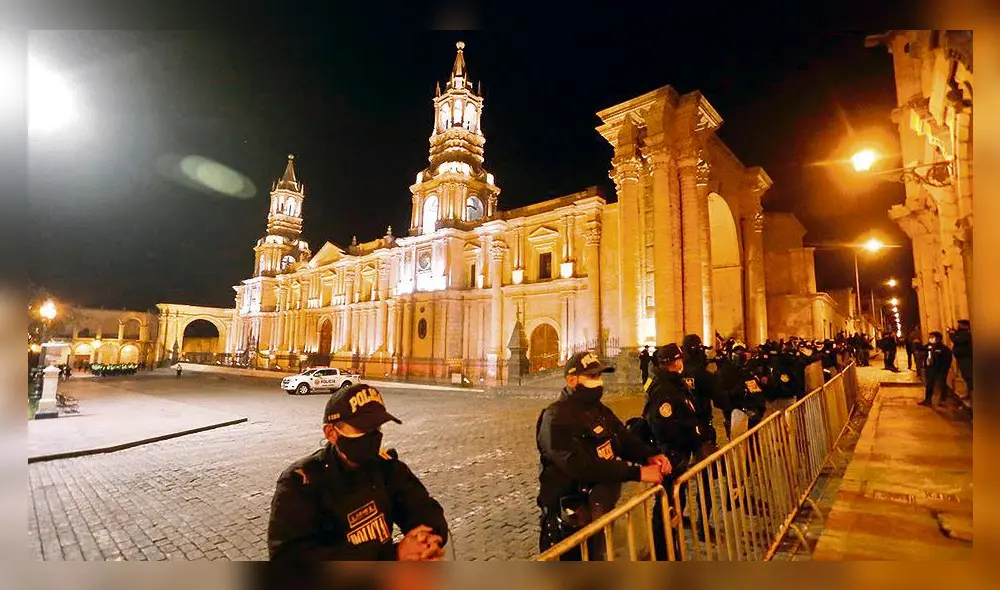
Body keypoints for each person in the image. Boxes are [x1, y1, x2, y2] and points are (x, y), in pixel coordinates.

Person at [268, 383, 449, 561]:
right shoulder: (301, 483)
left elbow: (421, 506)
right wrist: (391, 556)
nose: (372, 436)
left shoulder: (386, 467)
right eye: (362, 428)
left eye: (376, 428)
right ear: (331, 433)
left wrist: (426, 540)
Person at [536, 351, 670, 561]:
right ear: (572, 380)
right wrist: (637, 472)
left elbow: (622, 438)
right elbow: (582, 466)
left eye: (599, 376)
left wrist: (650, 456)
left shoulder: (598, 410)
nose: (598, 382)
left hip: (597, 510)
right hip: (568, 522)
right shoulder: (555, 417)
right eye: (591, 377)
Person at [644, 343, 709, 559]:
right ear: (674, 362)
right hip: (671, 454)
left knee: (674, 499)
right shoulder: (664, 388)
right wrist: (689, 440)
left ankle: (670, 542)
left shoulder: (675, 384)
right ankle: (662, 550)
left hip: (679, 453)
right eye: (678, 360)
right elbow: (665, 427)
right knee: (665, 503)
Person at [919, 331, 953, 407]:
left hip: (939, 369)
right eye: (930, 337)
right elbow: (922, 349)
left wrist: (944, 370)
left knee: (941, 385)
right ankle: (928, 400)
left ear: (938, 339)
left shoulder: (943, 349)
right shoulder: (929, 346)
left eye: (932, 337)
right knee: (929, 385)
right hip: (930, 369)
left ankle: (942, 400)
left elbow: (947, 360)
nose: (930, 339)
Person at [948, 320, 973, 398]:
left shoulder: (966, 334)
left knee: (969, 376)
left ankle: (972, 393)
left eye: (961, 325)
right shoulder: (961, 333)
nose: (958, 326)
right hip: (961, 358)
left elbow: (957, 340)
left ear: (966, 326)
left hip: (965, 358)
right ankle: (969, 392)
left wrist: (951, 334)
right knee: (965, 375)